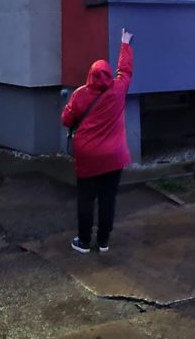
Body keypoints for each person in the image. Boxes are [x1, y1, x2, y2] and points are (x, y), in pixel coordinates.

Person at [61, 29, 134, 254]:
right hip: (114, 156)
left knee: (86, 197)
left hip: (88, 157)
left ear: (90, 75)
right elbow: (126, 70)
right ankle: (103, 241)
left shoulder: (81, 95)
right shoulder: (118, 90)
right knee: (108, 198)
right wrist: (125, 44)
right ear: (109, 75)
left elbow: (66, 120)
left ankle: (83, 241)